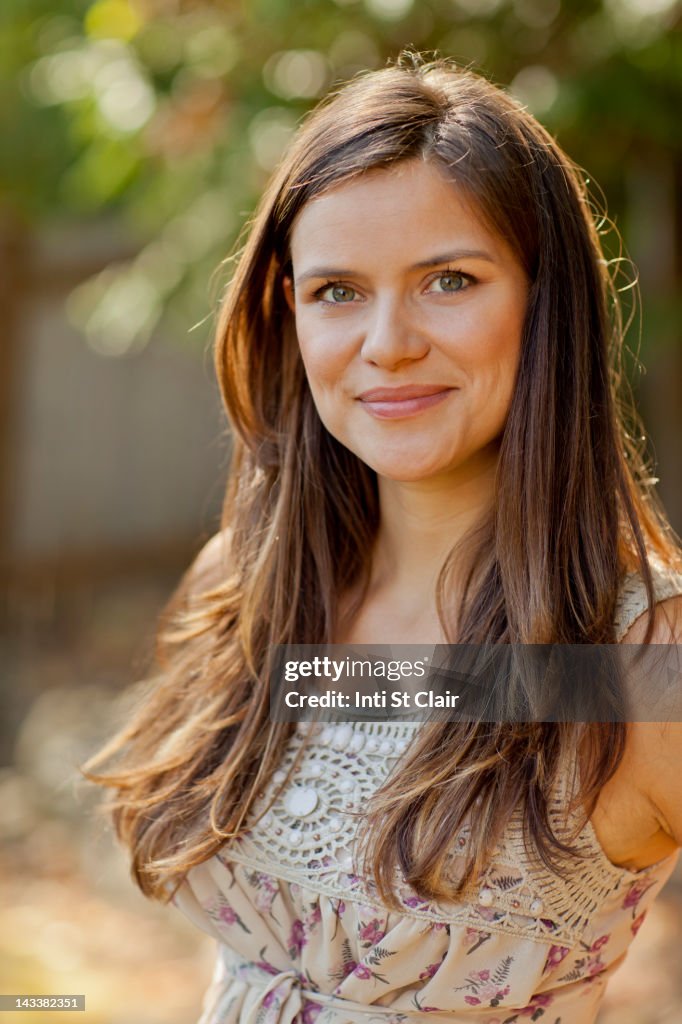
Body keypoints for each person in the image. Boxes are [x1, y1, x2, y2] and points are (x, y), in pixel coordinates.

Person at [84, 55, 682, 1023]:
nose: (388, 342)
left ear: (546, 303)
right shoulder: (257, 582)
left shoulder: (636, 662)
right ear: (289, 315)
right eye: (337, 291)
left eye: (448, 279)